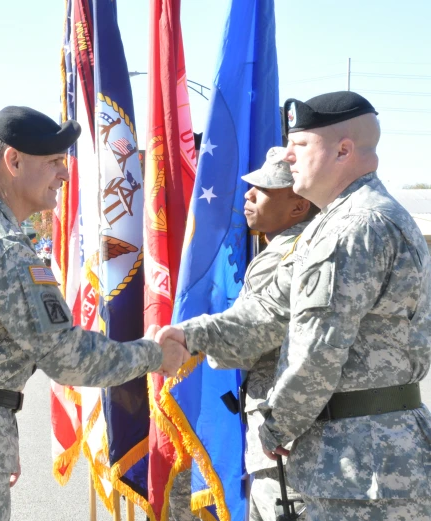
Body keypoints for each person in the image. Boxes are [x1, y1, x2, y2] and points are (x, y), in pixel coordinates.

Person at [0, 106, 189, 520]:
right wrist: (155, 355)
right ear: (13, 161)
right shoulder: (3, 249)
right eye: (53, 162)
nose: (64, 175)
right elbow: (69, 358)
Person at [161, 91, 431, 519]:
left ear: (343, 150)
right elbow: (268, 313)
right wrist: (188, 335)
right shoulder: (338, 222)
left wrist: (276, 426)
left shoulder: (354, 225)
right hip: (353, 464)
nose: (288, 157)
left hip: (361, 467)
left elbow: (316, 350)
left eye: (300, 145)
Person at [238, 147, 317, 520]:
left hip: (284, 438)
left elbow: (248, 339)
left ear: (298, 207)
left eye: (262, 190)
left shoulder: (288, 255)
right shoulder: (288, 248)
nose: (248, 195)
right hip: (279, 434)